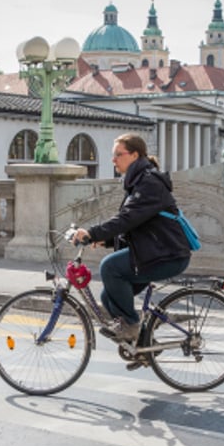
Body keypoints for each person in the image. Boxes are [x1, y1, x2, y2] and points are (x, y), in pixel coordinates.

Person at [72, 133, 192, 344]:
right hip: (155, 251)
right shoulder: (138, 181)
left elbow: (127, 219)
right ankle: (144, 347)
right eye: (113, 155)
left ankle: (131, 325)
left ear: (135, 155)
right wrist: (105, 240)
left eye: (118, 154)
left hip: (168, 254)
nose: (113, 160)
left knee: (110, 267)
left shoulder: (149, 182)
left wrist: (92, 232)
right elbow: (137, 225)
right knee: (108, 298)